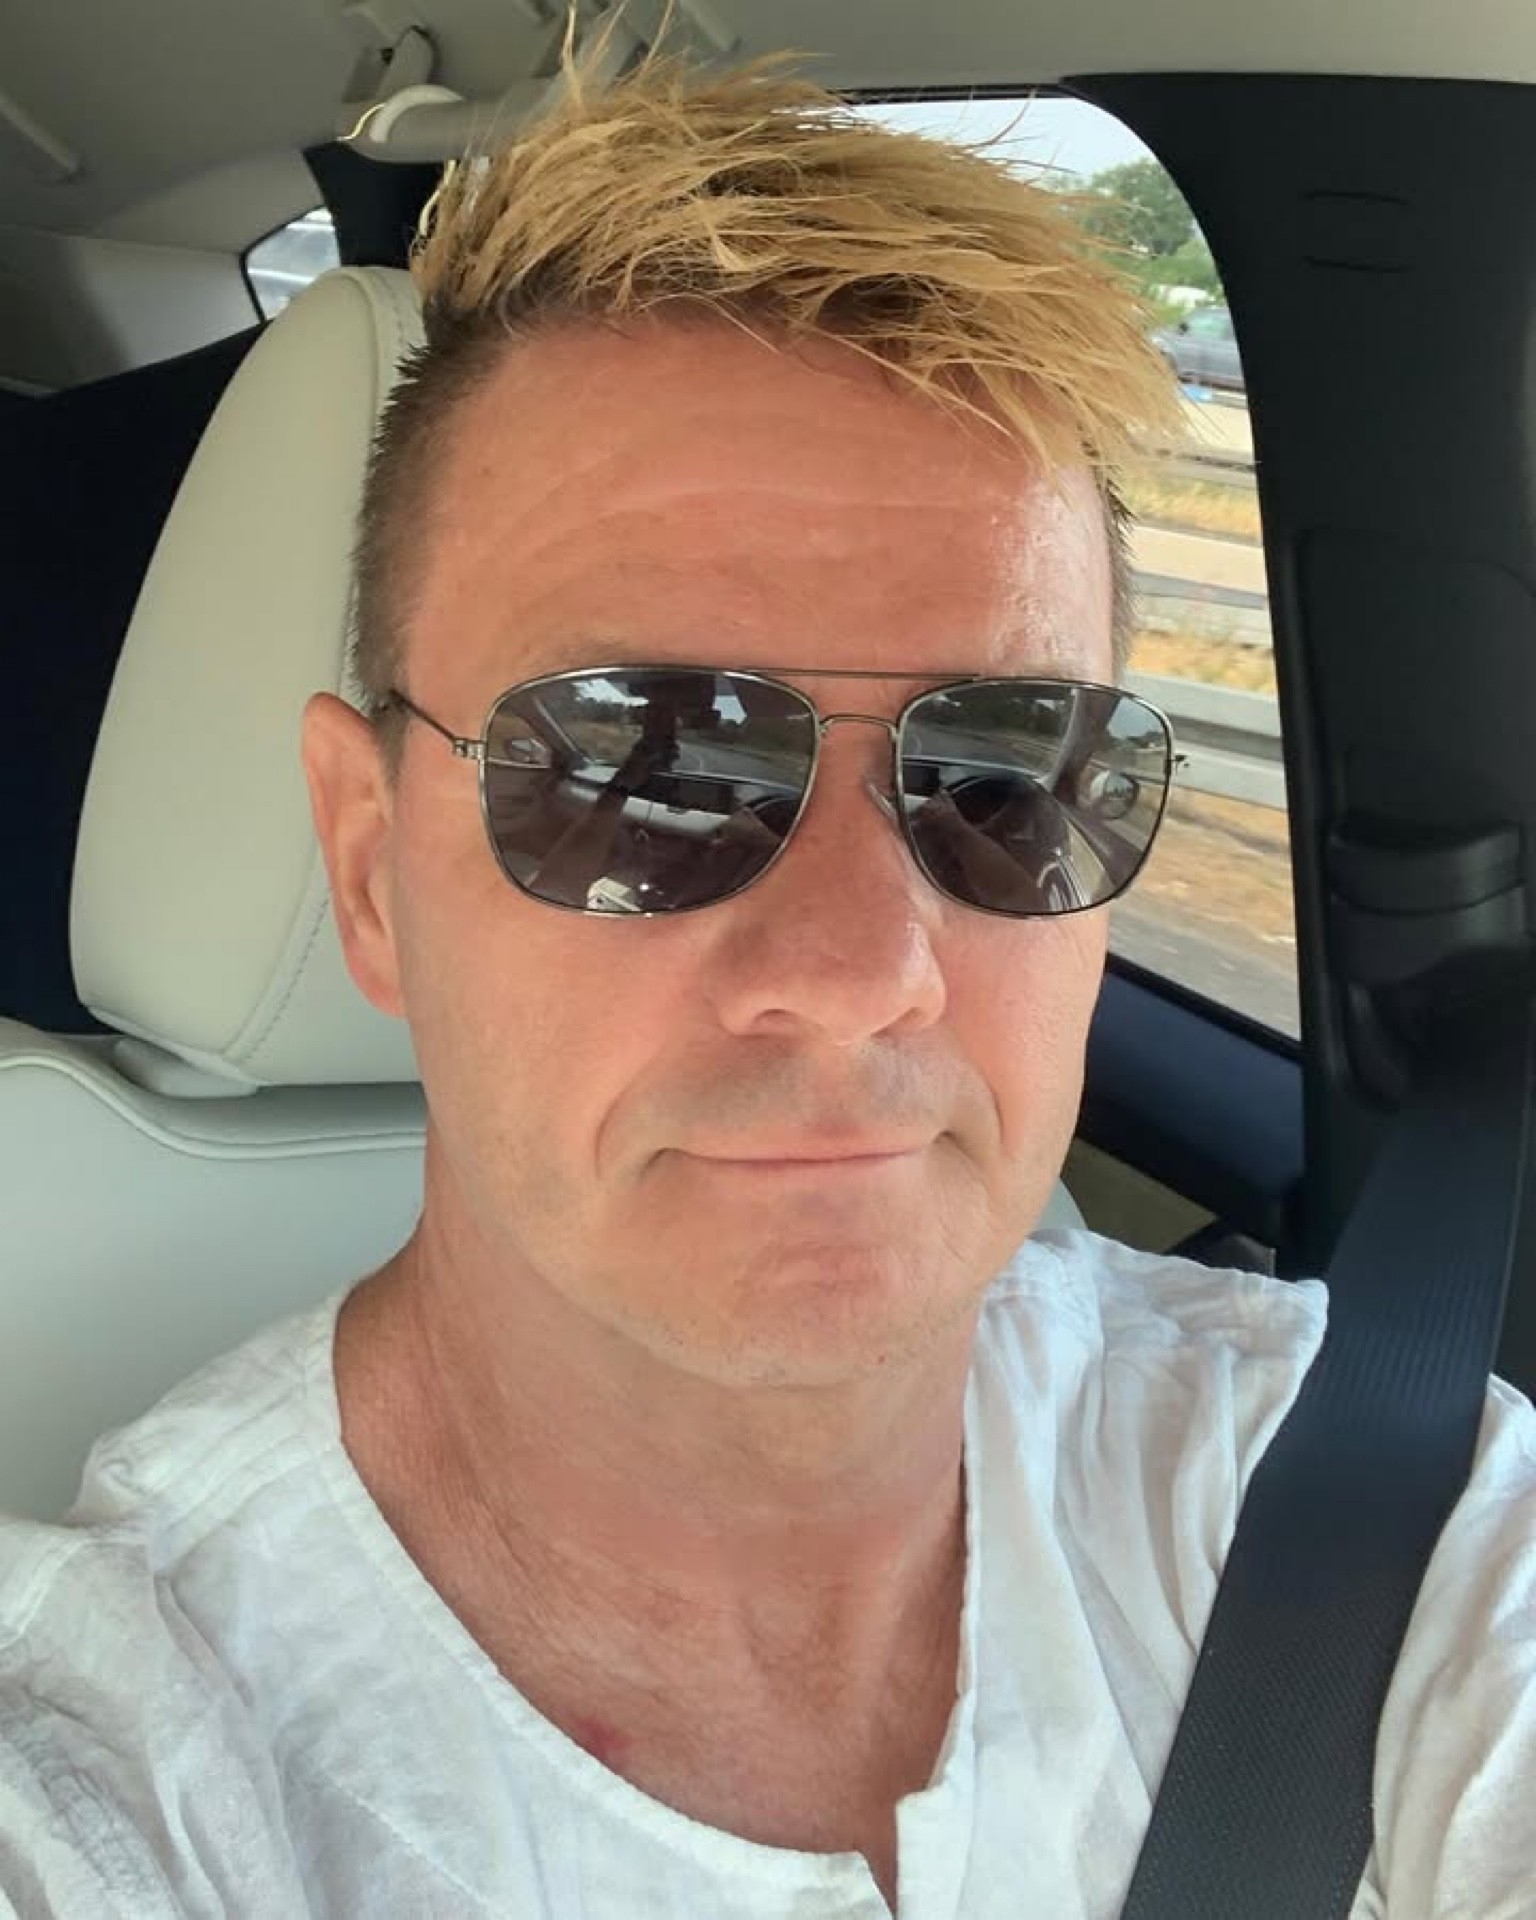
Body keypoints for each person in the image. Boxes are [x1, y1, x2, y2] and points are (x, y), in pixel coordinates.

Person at [2, 52, 1534, 1920]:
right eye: (642, 774)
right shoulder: (114, 1773)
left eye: (1005, 780)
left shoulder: (1379, 1499)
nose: (858, 976)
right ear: (370, 867)